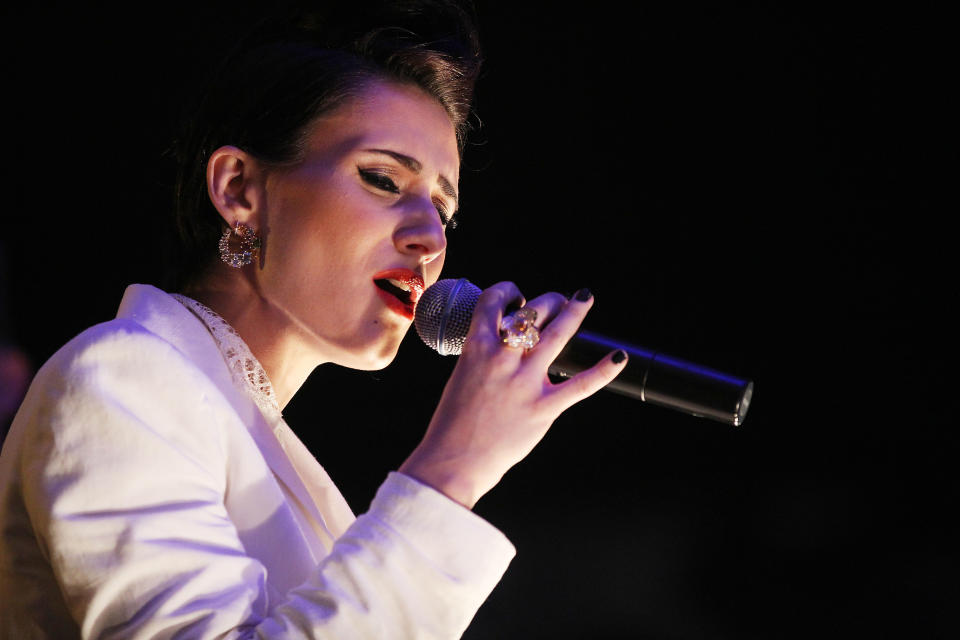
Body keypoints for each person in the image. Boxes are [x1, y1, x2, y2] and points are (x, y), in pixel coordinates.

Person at [0, 3, 628, 637]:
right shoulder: (118, 382)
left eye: (444, 209)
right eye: (383, 179)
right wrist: (453, 468)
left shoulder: (275, 458)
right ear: (240, 188)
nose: (430, 239)